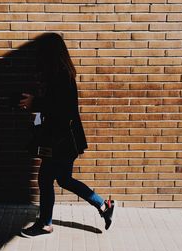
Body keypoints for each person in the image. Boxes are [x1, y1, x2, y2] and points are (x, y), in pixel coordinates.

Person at [18, 33, 116, 237]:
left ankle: (45, 223)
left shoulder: (61, 77)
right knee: (63, 179)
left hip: (60, 141)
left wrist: (35, 102)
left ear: (49, 53)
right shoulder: (61, 74)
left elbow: (62, 110)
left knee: (45, 179)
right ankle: (103, 205)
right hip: (65, 141)